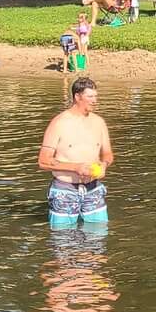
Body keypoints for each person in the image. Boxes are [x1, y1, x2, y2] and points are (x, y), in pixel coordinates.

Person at [38, 76, 112, 227]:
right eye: (90, 96)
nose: (94, 100)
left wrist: (104, 164)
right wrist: (76, 168)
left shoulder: (99, 122)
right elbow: (43, 161)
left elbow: (108, 154)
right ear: (77, 97)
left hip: (94, 190)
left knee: (98, 239)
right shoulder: (59, 123)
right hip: (65, 191)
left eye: (96, 96)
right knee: (63, 241)